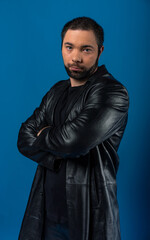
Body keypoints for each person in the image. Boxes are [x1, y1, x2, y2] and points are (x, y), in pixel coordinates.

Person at [17, 17, 129, 240]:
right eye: (69, 47)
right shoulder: (56, 91)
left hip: (89, 213)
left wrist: (45, 135)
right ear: (62, 48)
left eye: (86, 49)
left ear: (100, 50)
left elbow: (74, 142)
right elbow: (23, 138)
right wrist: (58, 150)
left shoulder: (112, 92)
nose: (76, 57)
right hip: (46, 211)